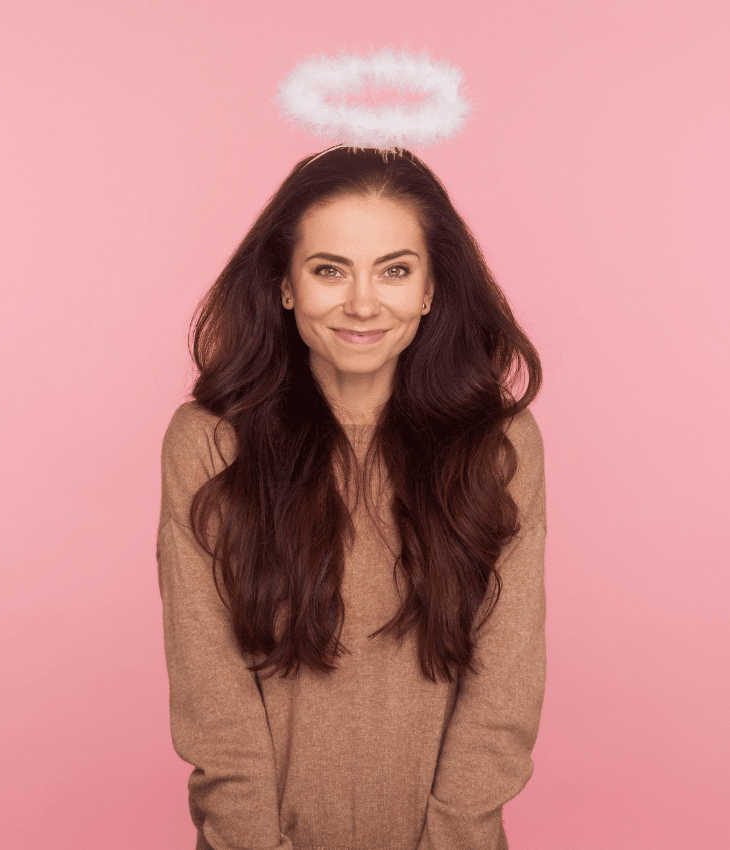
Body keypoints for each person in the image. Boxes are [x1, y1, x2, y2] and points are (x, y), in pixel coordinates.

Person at [156, 146, 546, 850]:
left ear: (431, 290)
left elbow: (505, 693)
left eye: (395, 270)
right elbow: (212, 701)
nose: (362, 303)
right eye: (329, 270)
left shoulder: (500, 447)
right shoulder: (210, 445)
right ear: (285, 285)